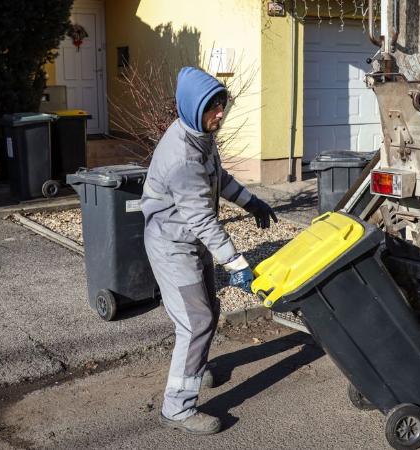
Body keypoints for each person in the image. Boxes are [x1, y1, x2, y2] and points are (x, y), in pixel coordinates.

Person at [141, 67, 278, 435]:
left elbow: (220, 179)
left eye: (222, 105)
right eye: (211, 108)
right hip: (172, 246)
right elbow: (202, 218)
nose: (219, 113)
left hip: (190, 239)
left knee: (209, 310)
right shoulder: (182, 156)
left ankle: (195, 370)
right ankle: (177, 407)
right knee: (196, 321)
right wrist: (236, 263)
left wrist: (252, 203)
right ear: (190, 108)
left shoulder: (200, 135)